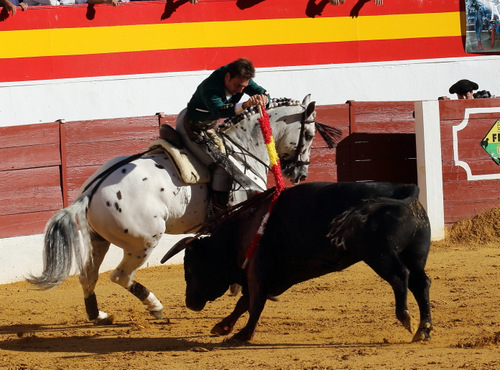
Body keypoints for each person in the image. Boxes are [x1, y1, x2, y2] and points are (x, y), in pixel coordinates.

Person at [175, 57, 270, 213]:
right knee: (222, 165)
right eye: (238, 86)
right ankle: (217, 212)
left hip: (208, 126)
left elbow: (262, 92)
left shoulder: (240, 77)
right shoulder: (210, 87)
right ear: (227, 77)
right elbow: (219, 111)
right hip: (190, 127)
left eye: (244, 86)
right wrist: (246, 104)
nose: (241, 90)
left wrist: (263, 98)